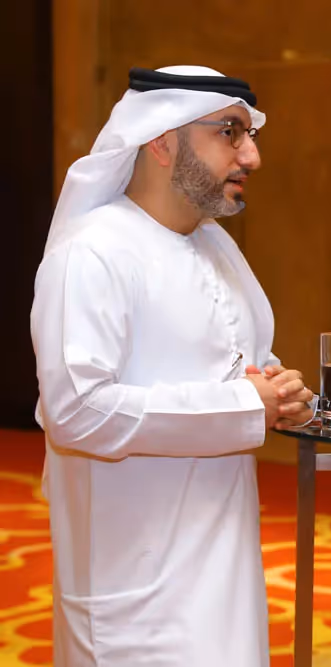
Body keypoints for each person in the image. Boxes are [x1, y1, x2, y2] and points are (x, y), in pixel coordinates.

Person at [31, 65, 315, 666]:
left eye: (250, 135)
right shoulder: (94, 253)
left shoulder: (216, 245)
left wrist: (280, 390)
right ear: (162, 142)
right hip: (135, 595)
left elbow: (240, 366)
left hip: (225, 568)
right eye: (230, 133)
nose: (252, 156)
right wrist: (244, 406)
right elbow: (76, 412)